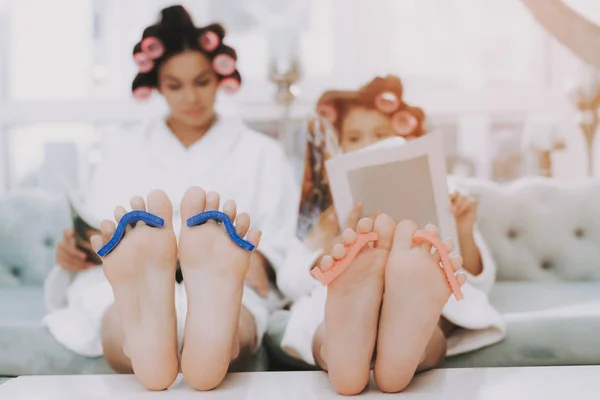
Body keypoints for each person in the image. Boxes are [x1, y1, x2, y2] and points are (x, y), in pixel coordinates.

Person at [43, 5, 297, 392]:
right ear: (157, 86)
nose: (191, 96)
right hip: (134, 279)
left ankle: (204, 333)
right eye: (175, 85)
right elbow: (99, 228)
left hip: (230, 278)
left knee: (238, 308)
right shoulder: (123, 150)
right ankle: (152, 332)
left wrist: (264, 260)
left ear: (220, 79)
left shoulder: (261, 153)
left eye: (201, 81)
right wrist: (73, 253)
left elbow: (282, 238)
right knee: (114, 308)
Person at [277, 75, 506, 394]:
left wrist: (463, 230)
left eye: (381, 134)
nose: (369, 144)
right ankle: (348, 350)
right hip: (343, 297)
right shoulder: (323, 207)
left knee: (434, 318)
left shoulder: (444, 188)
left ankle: (402, 347)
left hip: (419, 293)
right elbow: (290, 280)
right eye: (355, 137)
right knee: (325, 320)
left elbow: (479, 281)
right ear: (338, 144)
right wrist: (338, 245)